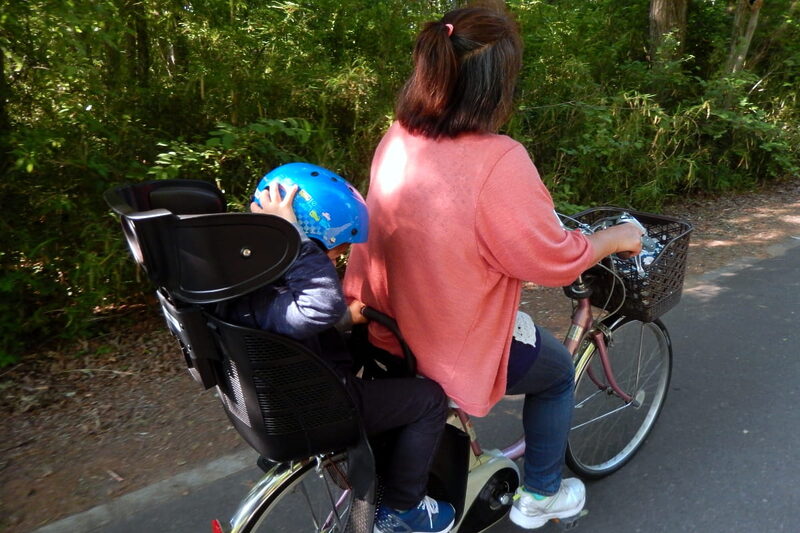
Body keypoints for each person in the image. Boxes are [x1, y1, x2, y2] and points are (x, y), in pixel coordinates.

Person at [342, 6, 644, 531]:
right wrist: (614, 239)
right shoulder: (498, 159)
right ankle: (542, 496)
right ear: (495, 85)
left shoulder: (399, 137)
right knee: (553, 377)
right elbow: (552, 258)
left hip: (382, 321)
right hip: (440, 339)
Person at [219, 162, 456, 533]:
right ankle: (403, 510)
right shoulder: (290, 272)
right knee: (429, 399)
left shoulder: (244, 280)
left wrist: (346, 320)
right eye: (332, 252)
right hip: (324, 407)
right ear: (304, 237)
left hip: (279, 400)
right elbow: (318, 306)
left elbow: (291, 322)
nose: (336, 260)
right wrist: (297, 242)